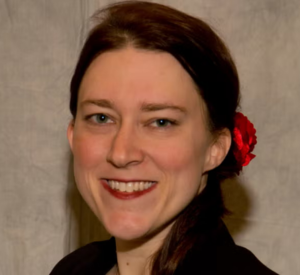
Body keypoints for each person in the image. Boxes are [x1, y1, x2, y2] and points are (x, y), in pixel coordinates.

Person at [50, 1, 278, 274]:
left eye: (160, 122)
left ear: (215, 148)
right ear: (73, 136)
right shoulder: (74, 269)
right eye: (102, 118)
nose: (121, 153)